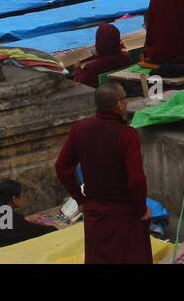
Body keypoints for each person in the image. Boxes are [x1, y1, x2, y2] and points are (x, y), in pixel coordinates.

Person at [54, 83, 153, 264]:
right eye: (125, 99)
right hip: (124, 212)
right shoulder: (127, 135)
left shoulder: (80, 128)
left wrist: (80, 199)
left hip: (95, 213)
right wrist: (141, 209)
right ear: (119, 104)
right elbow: (137, 181)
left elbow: (62, 167)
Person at [75, 23, 134, 88]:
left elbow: (81, 81)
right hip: (120, 87)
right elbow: (111, 54)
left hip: (101, 92)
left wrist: (77, 68)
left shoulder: (94, 66)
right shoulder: (126, 57)